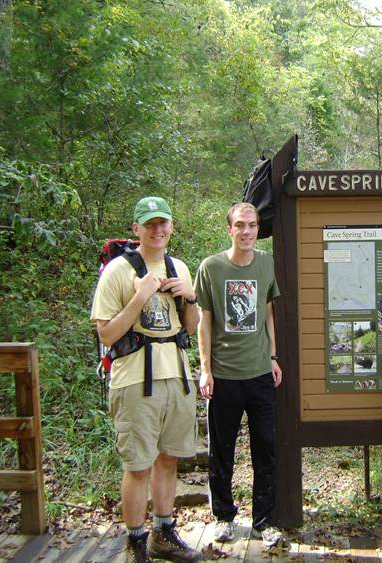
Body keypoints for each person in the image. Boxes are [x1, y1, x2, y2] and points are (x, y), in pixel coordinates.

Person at [91, 196, 201, 563]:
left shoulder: (179, 267)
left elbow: (191, 327)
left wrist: (192, 298)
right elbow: (106, 335)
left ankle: (163, 532)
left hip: (177, 376)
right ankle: (135, 541)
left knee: (168, 459)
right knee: (138, 464)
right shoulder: (118, 272)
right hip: (135, 380)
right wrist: (139, 297)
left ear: (171, 227)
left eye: (163, 223)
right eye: (149, 223)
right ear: (136, 229)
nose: (157, 229)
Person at [195, 202, 284, 548]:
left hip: (261, 372)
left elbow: (268, 312)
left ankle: (265, 520)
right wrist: (205, 369)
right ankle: (223, 517)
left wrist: (273, 355)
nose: (247, 231)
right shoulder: (211, 268)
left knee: (266, 448)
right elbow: (205, 322)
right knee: (222, 450)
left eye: (252, 225)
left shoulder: (266, 263)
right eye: (240, 225)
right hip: (225, 375)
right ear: (229, 229)